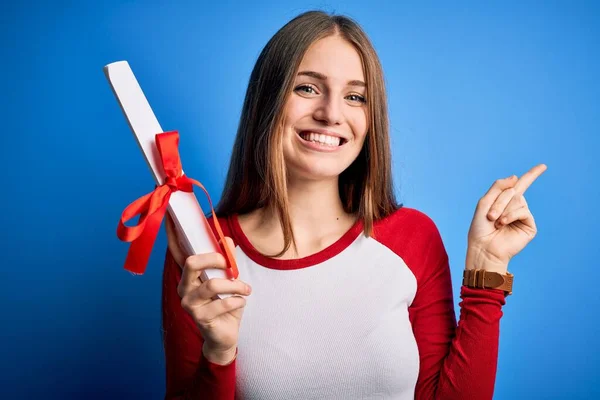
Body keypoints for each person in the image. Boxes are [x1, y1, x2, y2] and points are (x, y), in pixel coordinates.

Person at [160, 10, 546, 400]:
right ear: (268, 100)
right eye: (307, 88)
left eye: (355, 97)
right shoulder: (205, 249)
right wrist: (220, 353)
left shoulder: (413, 237)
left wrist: (487, 266)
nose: (331, 114)